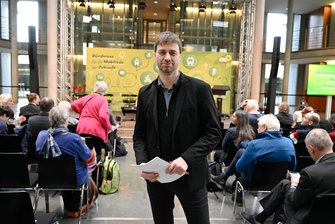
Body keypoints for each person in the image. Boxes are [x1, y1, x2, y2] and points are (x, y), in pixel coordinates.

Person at [133, 31, 222, 224]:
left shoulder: (199, 89)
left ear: (180, 56)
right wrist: (143, 163)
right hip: (156, 179)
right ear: (155, 55)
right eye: (162, 52)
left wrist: (186, 159)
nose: (167, 57)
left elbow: (213, 132)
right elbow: (139, 135)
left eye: (172, 53)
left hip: (190, 177)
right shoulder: (145, 93)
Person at [242, 128, 335, 224]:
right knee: (284, 184)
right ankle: (259, 218)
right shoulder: (311, 173)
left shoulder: (310, 173)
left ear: (311, 149)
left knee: (282, 199)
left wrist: (295, 185)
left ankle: (260, 218)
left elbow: (294, 201)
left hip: (308, 217)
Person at [35, 106, 95, 218]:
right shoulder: (74, 139)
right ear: (67, 121)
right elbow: (87, 156)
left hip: (47, 178)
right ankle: (75, 207)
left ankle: (70, 206)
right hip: (73, 179)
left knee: (66, 171)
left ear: (50, 120)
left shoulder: (41, 135)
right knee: (85, 170)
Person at [236, 114, 296, 185]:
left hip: (254, 184)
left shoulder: (254, 145)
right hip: (278, 185)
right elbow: (292, 167)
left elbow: (239, 168)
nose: (257, 129)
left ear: (264, 127)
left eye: (258, 126)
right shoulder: (289, 142)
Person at [211, 110, 255, 188]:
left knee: (217, 154)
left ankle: (220, 177)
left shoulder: (231, 131)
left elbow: (223, 146)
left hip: (228, 158)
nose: (231, 117)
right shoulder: (251, 130)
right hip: (244, 158)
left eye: (234, 116)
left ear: (239, 119)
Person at [71, 81, 112, 157]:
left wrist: (81, 112)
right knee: (98, 154)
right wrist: (109, 127)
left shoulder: (87, 97)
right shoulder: (103, 100)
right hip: (96, 130)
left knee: (82, 154)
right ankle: (95, 167)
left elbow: (73, 105)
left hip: (82, 128)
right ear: (105, 91)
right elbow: (103, 116)